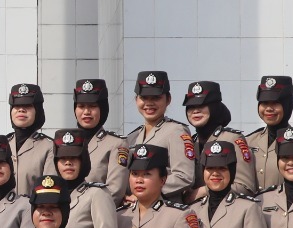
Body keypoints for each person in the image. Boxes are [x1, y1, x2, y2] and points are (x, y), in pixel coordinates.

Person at [123, 71, 194, 202]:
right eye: (144, 98)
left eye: (156, 98)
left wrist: (146, 193)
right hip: (136, 211)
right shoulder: (132, 137)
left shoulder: (176, 131)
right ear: (136, 99)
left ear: (168, 99)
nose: (149, 103)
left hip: (165, 208)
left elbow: (184, 176)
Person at [181, 81, 255, 198]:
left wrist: (204, 191)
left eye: (201, 105)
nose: (195, 110)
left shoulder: (232, 139)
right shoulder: (191, 143)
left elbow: (245, 187)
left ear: (214, 107)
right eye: (191, 106)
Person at [72, 79, 128, 208]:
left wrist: (84, 212)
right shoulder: (64, 142)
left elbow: (115, 190)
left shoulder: (116, 144)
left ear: (102, 108)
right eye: (81, 106)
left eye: (92, 106)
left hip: (96, 216)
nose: (86, 112)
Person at [244, 76, 293, 190]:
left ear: (287, 105)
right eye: (264, 103)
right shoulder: (248, 142)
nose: (268, 109)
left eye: (275, 103)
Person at [6, 83, 56, 196]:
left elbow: (49, 193)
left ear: (37, 111)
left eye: (27, 106)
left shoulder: (49, 147)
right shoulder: (4, 144)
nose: (21, 110)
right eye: (16, 106)